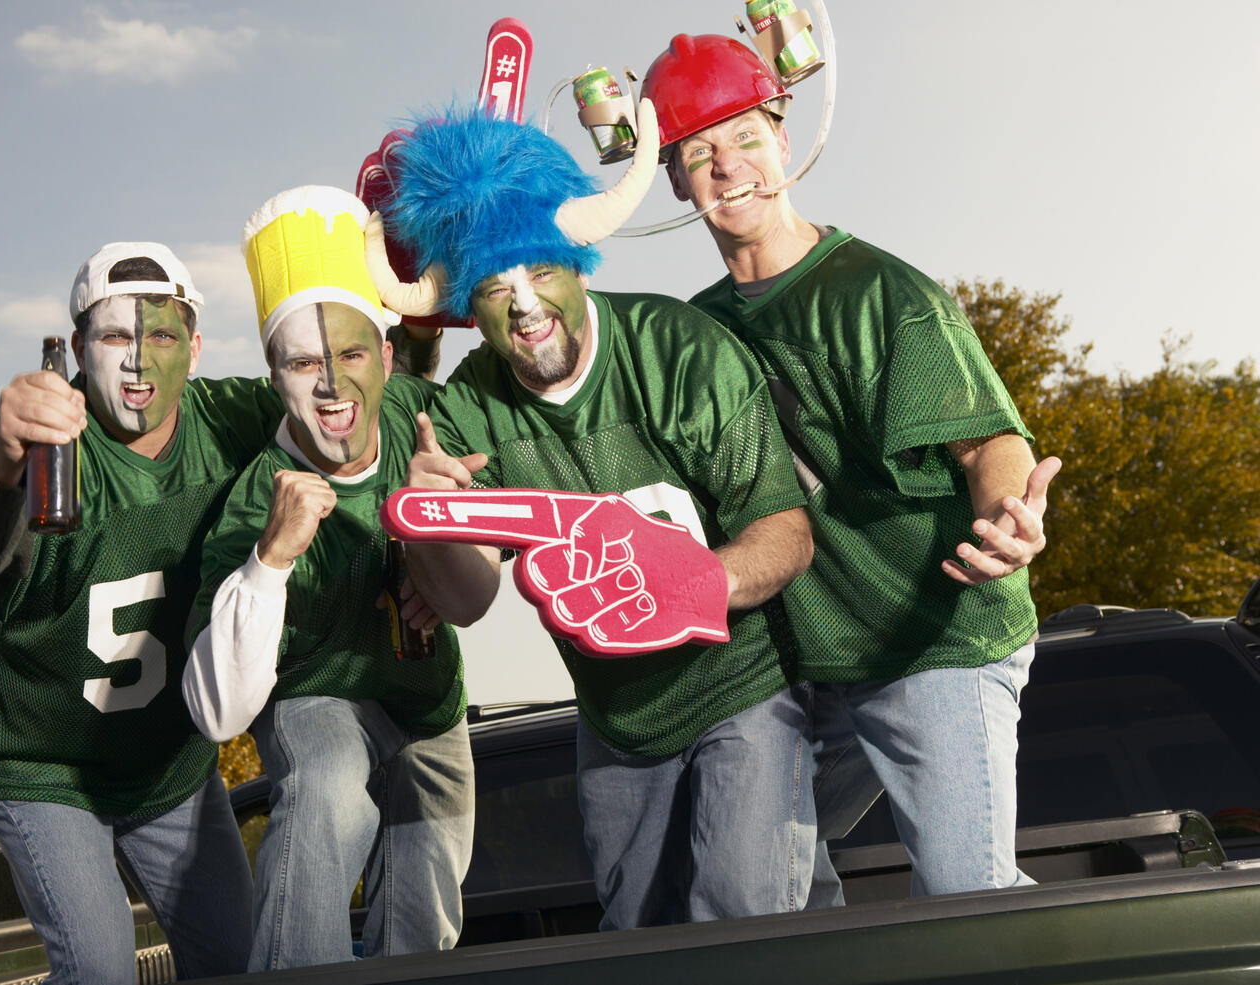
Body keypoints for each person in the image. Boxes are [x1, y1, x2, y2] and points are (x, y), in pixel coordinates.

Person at [370, 100, 817, 930]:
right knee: (636, 940)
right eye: (495, 289)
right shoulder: (468, 407)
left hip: (741, 686)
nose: (526, 306)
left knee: (743, 915)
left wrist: (696, 578)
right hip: (615, 720)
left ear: (579, 263)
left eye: (539, 271)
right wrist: (437, 520)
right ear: (473, 304)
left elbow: (785, 532)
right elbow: (465, 600)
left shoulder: (680, 350)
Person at [641, 33, 1062, 900]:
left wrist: (1010, 517)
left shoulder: (882, 293)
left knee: (966, 896)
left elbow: (987, 441)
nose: (729, 168)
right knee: (746, 879)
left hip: (934, 636)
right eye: (699, 153)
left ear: (785, 142)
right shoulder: (692, 334)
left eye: (747, 138)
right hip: (813, 665)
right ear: (677, 181)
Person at [0, 242, 280, 983]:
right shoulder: (54, 453)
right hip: (43, 760)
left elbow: (344, 393)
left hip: (165, 765)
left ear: (195, 347)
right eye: (116, 336)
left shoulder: (233, 418)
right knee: (101, 971)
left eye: (160, 335)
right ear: (78, 351)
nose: (137, 362)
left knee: (241, 961)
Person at [180, 186, 480, 970]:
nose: (331, 388)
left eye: (349, 356)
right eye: (304, 362)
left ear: (385, 357)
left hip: (424, 699)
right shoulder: (256, 497)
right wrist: (269, 558)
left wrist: (454, 530)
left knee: (424, 904)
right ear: (274, 376)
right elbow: (216, 713)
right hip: (318, 693)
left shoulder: (429, 416)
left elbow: (519, 508)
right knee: (331, 782)